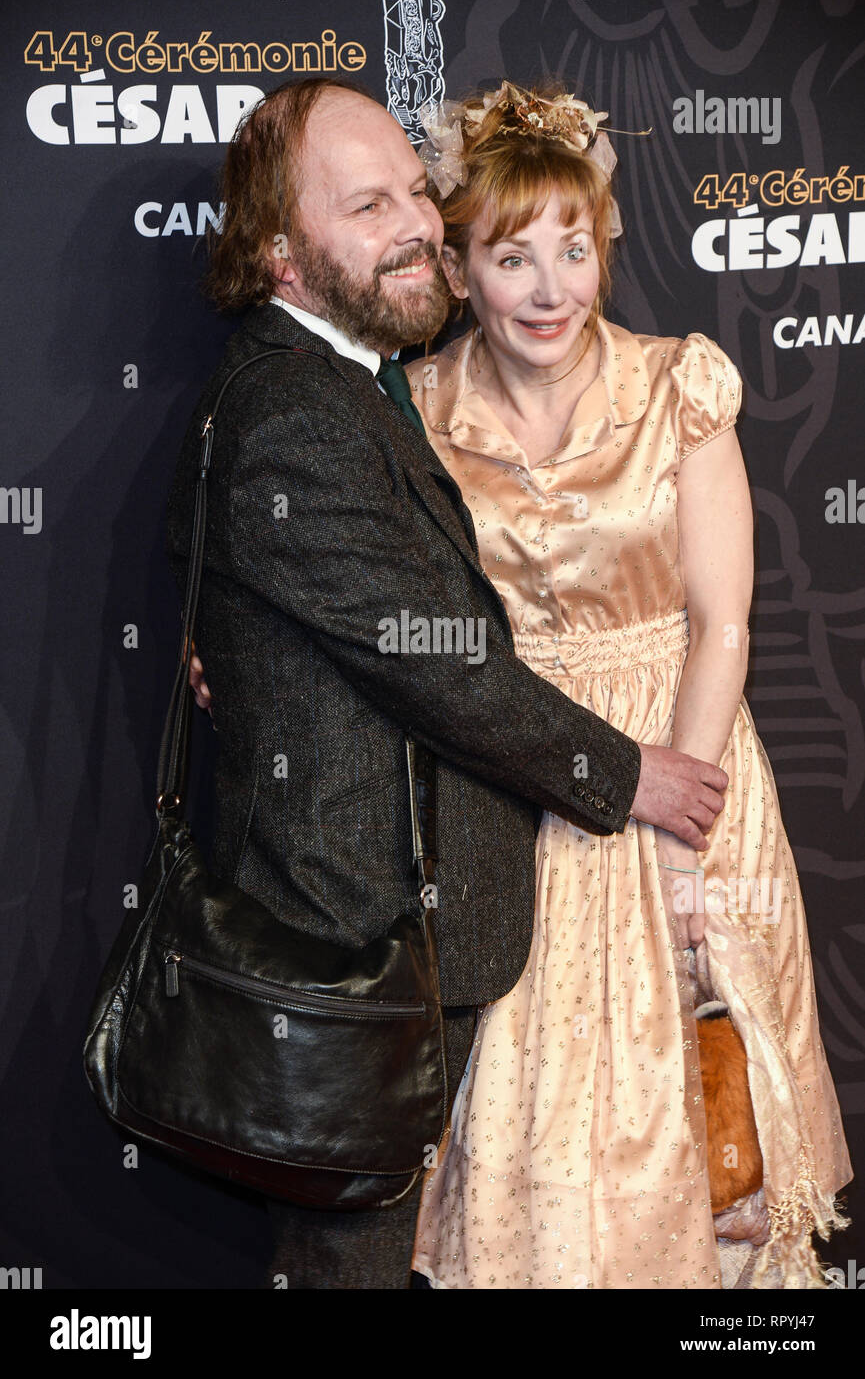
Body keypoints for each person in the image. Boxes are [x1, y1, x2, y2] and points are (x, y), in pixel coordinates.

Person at [167, 75, 730, 1291]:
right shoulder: (293, 411)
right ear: (280, 253)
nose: (418, 222)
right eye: (368, 204)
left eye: (416, 191)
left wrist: (250, 655)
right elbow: (436, 657)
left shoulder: (356, 380)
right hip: (353, 936)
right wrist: (627, 772)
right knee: (351, 1263)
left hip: (415, 921)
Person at [407, 81, 853, 1290]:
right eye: (512, 256)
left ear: (604, 250)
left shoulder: (677, 386)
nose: (549, 289)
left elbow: (720, 622)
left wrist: (676, 839)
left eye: (574, 249)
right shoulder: (417, 413)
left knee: (707, 1138)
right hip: (517, 790)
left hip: (687, 763)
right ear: (460, 272)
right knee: (535, 1132)